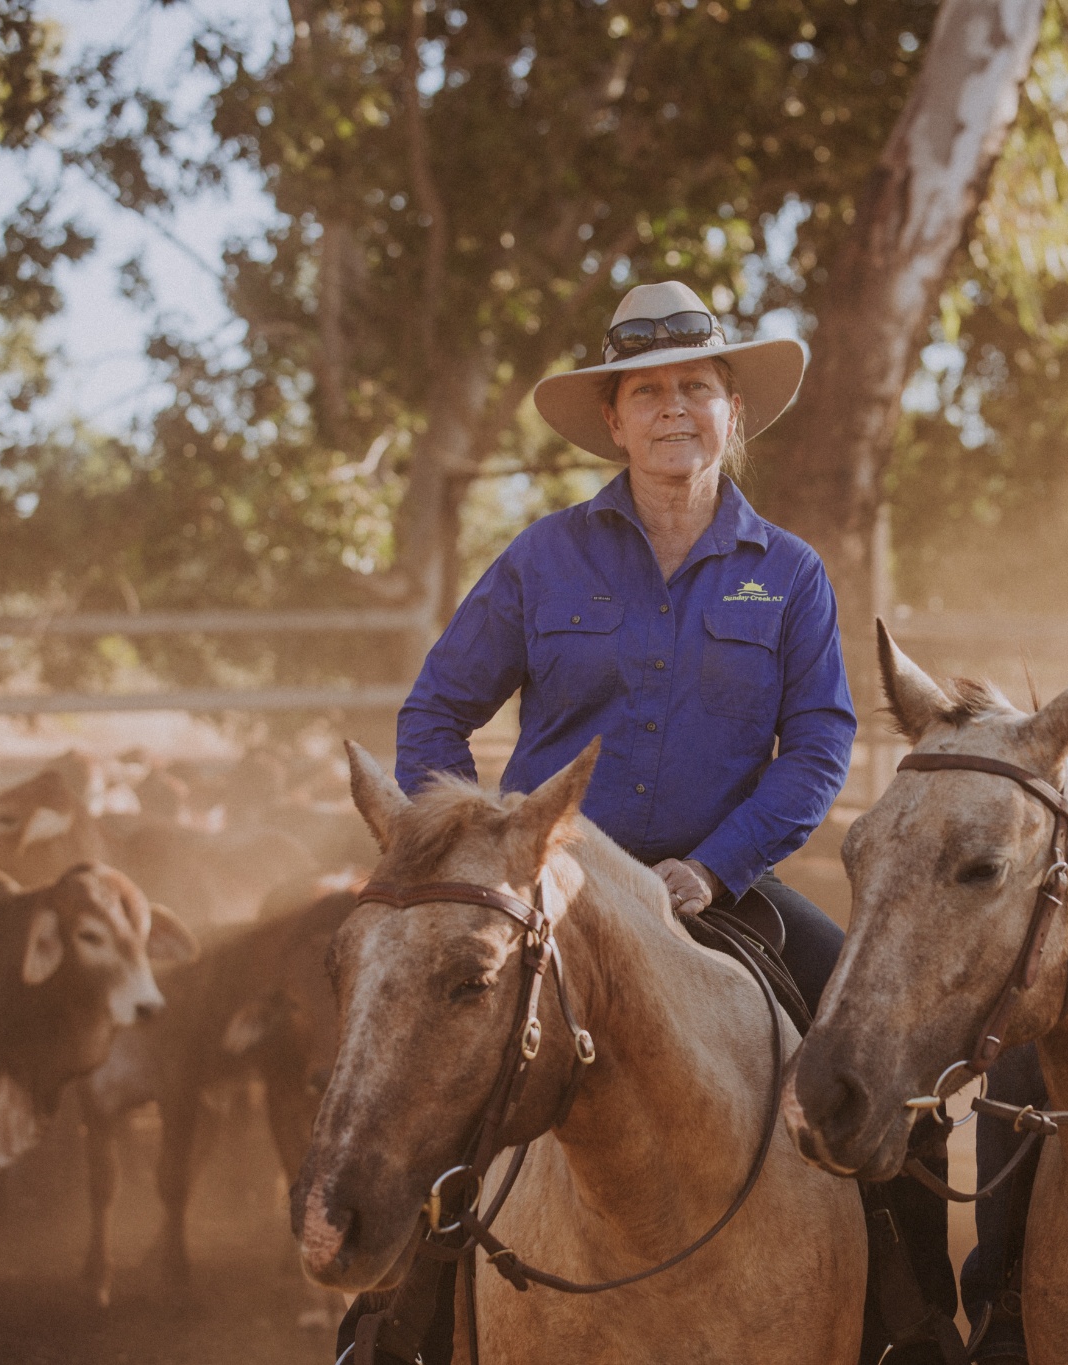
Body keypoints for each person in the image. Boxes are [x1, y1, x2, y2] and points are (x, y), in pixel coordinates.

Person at [394, 280, 955, 1364]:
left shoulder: (785, 575)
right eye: (646, 392)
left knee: (889, 1054)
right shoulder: (541, 558)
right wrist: (495, 849)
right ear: (612, 419)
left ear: (730, 409)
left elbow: (821, 748)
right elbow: (433, 717)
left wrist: (712, 866)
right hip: (555, 902)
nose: (671, 411)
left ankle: (914, 1322)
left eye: (694, 387)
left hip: (724, 891)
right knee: (428, 1065)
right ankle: (398, 1328)